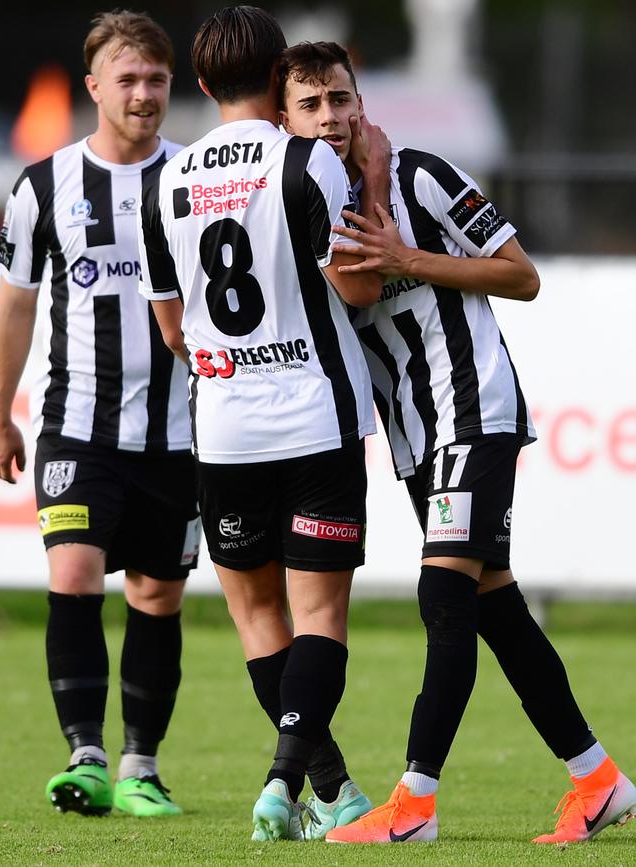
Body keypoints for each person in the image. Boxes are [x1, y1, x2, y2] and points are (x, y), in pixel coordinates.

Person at [279, 40, 636, 845]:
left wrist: (413, 255)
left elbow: (522, 274)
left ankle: (415, 803)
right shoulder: (307, 204)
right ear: (285, 119)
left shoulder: (422, 175)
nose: (331, 117)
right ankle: (599, 778)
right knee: (495, 607)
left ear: (360, 103)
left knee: (442, 598)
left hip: (472, 410)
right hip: (416, 431)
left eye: (341, 99)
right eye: (312, 104)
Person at [136, 5, 390, 842]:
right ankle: (286, 783)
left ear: (203, 85)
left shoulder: (163, 180)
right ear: (282, 75)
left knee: (258, 619)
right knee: (320, 618)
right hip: (316, 414)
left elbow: (173, 328)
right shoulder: (307, 160)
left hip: (227, 426)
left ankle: (334, 791)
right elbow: (356, 286)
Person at [0, 11, 201, 818]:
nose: (143, 94)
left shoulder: (195, 179)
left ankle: (142, 765)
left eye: (156, 80)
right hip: (76, 426)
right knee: (72, 572)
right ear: (94, 89)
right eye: (128, 80)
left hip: (180, 436)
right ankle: (86, 755)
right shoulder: (44, 186)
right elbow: (14, 307)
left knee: (157, 595)